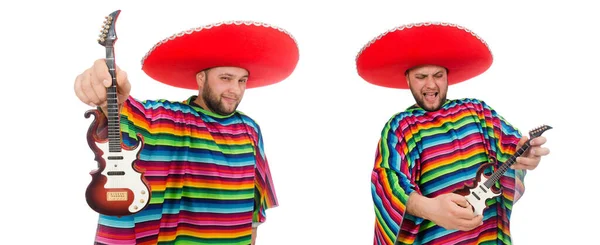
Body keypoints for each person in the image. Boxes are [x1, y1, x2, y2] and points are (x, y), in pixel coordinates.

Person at [74, 20, 299, 245]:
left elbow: (256, 201)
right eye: (225, 78)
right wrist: (107, 92)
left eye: (242, 81)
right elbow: (128, 112)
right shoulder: (173, 119)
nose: (235, 89)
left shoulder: (250, 129)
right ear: (201, 79)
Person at [355, 22, 550, 245]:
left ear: (448, 76)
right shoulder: (400, 126)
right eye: (421, 77)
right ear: (407, 79)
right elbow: (386, 181)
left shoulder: (478, 111)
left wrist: (527, 154)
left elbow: (511, 146)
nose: (431, 84)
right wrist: (429, 208)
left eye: (438, 75)